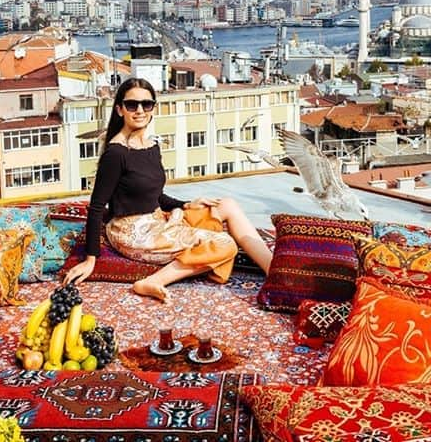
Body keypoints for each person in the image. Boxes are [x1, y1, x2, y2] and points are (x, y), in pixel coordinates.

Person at [62, 77, 273, 302]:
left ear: (153, 107)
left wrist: (184, 205)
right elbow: (96, 207)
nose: (140, 110)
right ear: (120, 109)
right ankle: (153, 281)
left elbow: (155, 195)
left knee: (226, 205)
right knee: (225, 244)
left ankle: (273, 271)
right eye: (132, 105)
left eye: (147, 104)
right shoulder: (116, 153)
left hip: (156, 219)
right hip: (133, 232)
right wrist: (90, 259)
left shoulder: (151, 146)